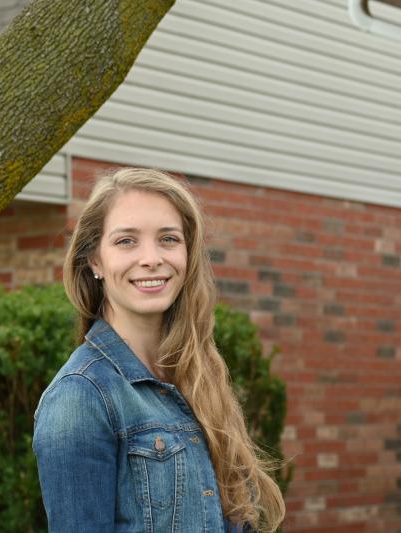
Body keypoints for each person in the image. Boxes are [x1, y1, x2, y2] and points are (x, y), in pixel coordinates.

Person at [32, 168, 285, 532]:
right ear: (95, 261)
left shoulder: (197, 377)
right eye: (126, 241)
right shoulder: (80, 398)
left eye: (168, 239)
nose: (151, 258)